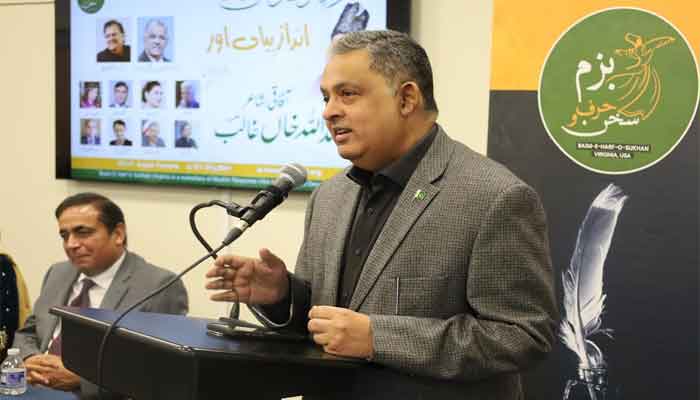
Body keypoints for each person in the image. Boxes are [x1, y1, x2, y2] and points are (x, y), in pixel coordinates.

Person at [205, 30, 558, 399]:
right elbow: (328, 322)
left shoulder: (494, 196)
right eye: (326, 97)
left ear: (406, 99)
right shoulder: (330, 196)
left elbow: (522, 335)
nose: (329, 111)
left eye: (348, 94)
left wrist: (379, 338)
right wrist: (281, 296)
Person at [13, 193, 188, 399]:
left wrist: (83, 379)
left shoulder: (159, 285)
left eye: (83, 233)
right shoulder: (58, 273)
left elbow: (163, 367)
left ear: (118, 234)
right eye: (64, 235)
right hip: (34, 388)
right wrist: (30, 358)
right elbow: (30, 331)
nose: (71, 244)